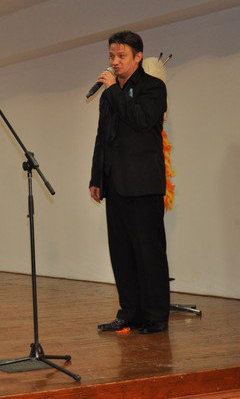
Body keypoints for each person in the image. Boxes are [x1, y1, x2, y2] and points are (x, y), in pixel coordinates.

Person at [89, 30, 170, 335]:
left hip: (143, 184)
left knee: (148, 252)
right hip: (116, 183)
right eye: (111, 55)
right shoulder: (110, 94)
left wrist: (113, 91)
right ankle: (130, 313)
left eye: (121, 55)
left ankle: (155, 316)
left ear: (138, 56)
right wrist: (96, 177)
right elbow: (103, 138)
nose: (115, 61)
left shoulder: (153, 88)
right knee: (121, 253)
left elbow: (141, 120)